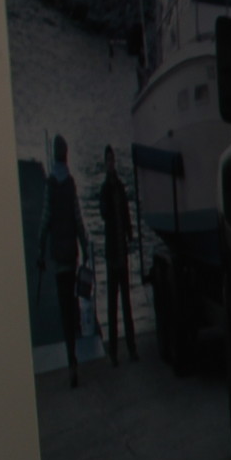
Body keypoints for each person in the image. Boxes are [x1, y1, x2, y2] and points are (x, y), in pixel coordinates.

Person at [38, 135, 89, 387]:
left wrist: (40, 251)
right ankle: (74, 356)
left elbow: (45, 220)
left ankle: (71, 360)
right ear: (66, 155)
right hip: (72, 255)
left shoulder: (50, 184)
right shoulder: (70, 184)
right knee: (72, 303)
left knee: (64, 310)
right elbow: (79, 219)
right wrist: (86, 246)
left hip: (58, 258)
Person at [97, 146, 136, 363]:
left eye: (112, 160)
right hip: (113, 253)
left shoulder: (120, 187)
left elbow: (126, 213)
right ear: (106, 164)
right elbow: (104, 213)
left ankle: (131, 347)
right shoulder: (105, 189)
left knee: (126, 304)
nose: (111, 164)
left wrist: (130, 233)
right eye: (108, 161)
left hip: (121, 250)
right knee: (113, 305)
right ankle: (114, 351)